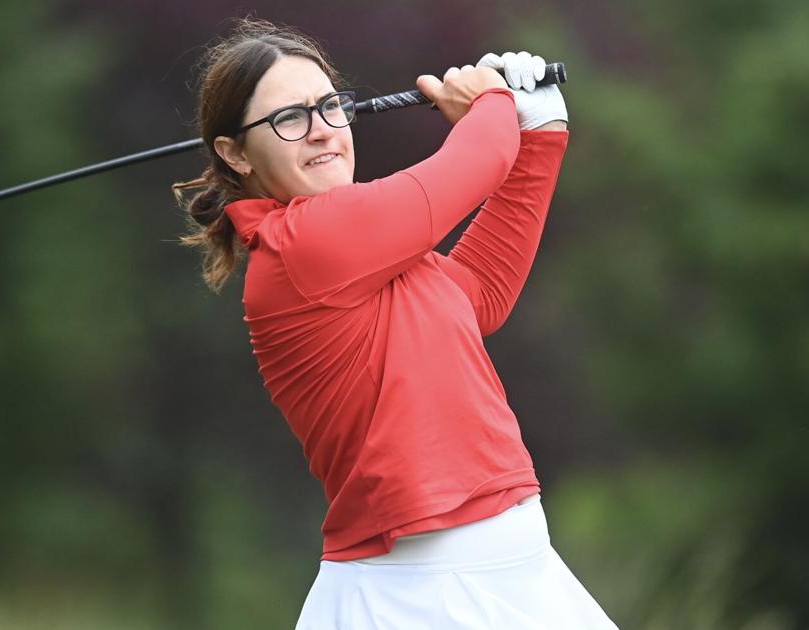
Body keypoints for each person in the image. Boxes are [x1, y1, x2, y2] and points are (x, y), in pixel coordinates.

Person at [173, 17, 617, 629]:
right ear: (235, 154)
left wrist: (539, 134)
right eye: (288, 119)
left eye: (330, 107)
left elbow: (478, 294)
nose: (322, 132)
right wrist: (490, 98)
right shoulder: (305, 244)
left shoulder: (367, 252)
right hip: (414, 595)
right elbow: (476, 160)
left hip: (520, 570)